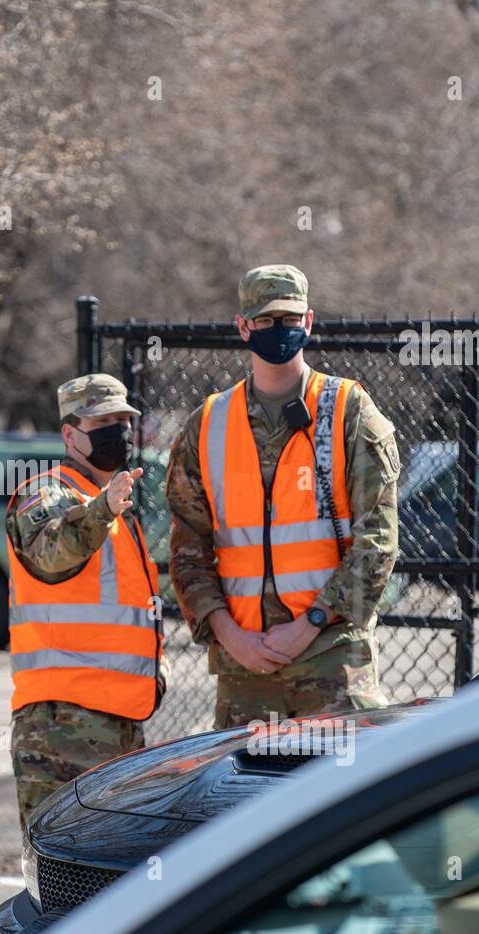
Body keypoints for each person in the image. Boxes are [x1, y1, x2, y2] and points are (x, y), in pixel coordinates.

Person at [166, 264, 401, 730]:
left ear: (309, 322)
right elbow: (188, 551)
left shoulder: (348, 410)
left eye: (290, 320)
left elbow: (378, 537)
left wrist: (310, 622)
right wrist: (231, 636)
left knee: (344, 797)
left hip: (332, 661)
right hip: (244, 670)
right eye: (266, 320)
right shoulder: (208, 423)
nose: (279, 330)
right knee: (249, 800)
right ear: (243, 326)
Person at [5, 373, 165, 828]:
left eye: (123, 420)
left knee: (113, 870)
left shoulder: (111, 502)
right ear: (70, 435)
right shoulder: (46, 492)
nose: (119, 431)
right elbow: (52, 553)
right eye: (103, 421)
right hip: (60, 727)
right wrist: (104, 510)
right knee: (60, 872)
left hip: (120, 723)